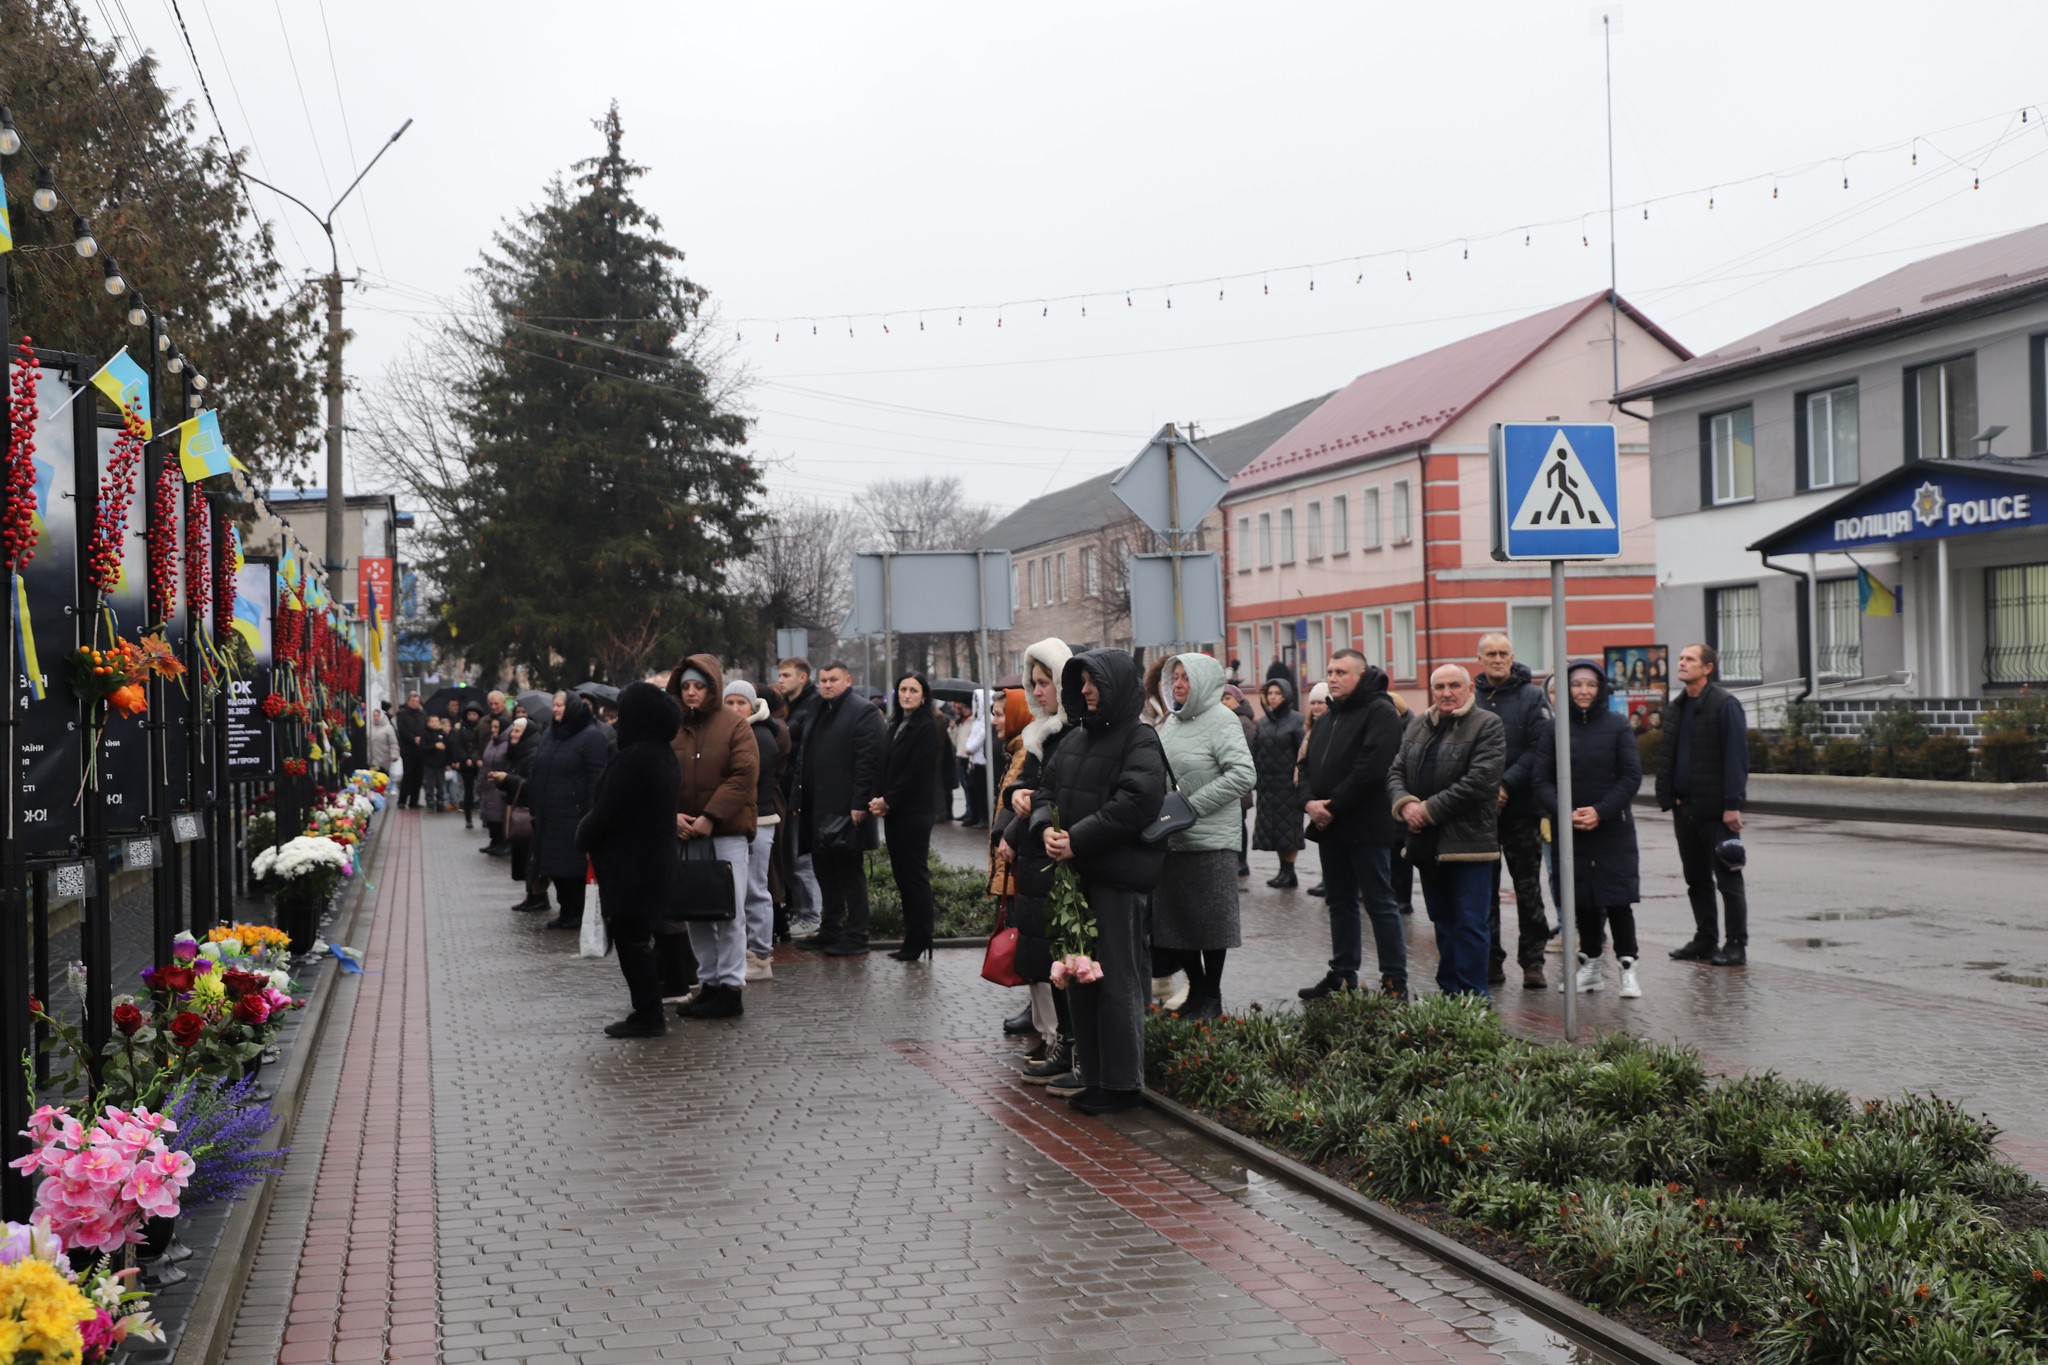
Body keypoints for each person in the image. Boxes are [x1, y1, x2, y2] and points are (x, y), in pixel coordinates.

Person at [1031, 649, 1168, 1117]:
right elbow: (1046, 792)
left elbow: (1138, 799)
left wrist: (1078, 840)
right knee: (1081, 980)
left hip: (1118, 880)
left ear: (1117, 687)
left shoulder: (1140, 738)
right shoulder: (1075, 738)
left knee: (1117, 983)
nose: (1086, 690)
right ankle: (1094, 1077)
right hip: (1078, 880)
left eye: (1094, 682)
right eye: (1082, 682)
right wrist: (1046, 830)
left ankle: (1123, 1086)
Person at [1388, 664, 1507, 998]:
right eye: (1439, 687)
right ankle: (1450, 994)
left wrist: (1426, 811)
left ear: (1470, 689)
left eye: (1454, 685)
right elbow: (1396, 772)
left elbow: (1479, 782)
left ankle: (1473, 998)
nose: (1446, 693)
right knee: (1442, 920)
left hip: (1469, 845)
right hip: (1428, 843)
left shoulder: (1487, 724)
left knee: (1470, 923)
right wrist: (1405, 805)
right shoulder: (1418, 724)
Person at [1299, 651, 1408, 999]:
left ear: (1361, 675)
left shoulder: (1380, 711)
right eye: (1330, 671)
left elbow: (1372, 767)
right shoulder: (1328, 716)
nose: (1332, 678)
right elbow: (1305, 766)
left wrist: (1333, 805)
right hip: (1330, 826)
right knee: (1339, 901)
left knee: (1379, 902)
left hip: (1366, 825)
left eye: (1341, 672)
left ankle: (1394, 981)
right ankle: (1343, 974)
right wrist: (1309, 802)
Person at [579, 682, 685, 1038]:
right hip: (650, 862)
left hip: (633, 866)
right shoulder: (661, 753)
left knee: (632, 941)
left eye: (623, 713)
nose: (617, 720)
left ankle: (648, 1015)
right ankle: (647, 1011)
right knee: (637, 938)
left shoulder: (636, 758)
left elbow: (608, 811)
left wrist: (583, 835)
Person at [1153, 654, 1257, 1018]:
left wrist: (1191, 807)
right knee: (1177, 922)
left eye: (1187, 677)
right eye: (1176, 677)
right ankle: (1196, 992)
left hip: (1211, 841)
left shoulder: (1223, 720)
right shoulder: (1171, 722)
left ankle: (1211, 996)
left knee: (1211, 924)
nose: (1179, 684)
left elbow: (1243, 775)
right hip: (1173, 837)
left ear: (1204, 681)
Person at [1536, 661, 1644, 998]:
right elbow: (1541, 780)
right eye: (1577, 684)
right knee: (1582, 900)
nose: (1584, 691)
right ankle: (1591, 966)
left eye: (1591, 685)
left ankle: (1627, 968)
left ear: (1601, 689)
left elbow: (1630, 776)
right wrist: (1565, 812)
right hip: (1571, 828)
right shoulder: (1553, 729)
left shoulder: (1618, 726)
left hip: (1612, 828)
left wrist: (1601, 811)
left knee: (1617, 900)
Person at [997, 639, 1076, 1078]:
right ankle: (1054, 1039)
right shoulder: (1039, 732)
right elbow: (1025, 785)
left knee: (1056, 955)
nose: (1038, 690)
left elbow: (1057, 792)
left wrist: (1031, 802)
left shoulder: (1070, 733)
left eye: (1046, 682)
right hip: (1033, 853)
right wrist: (1016, 799)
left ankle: (1064, 1042)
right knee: (1041, 955)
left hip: (1053, 854)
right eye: (1035, 683)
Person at [667, 655, 758, 1018]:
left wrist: (710, 817)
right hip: (686, 835)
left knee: (729, 913)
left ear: (712, 688)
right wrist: (671, 815)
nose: (691, 693)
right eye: (686, 686)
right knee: (695, 911)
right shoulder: (673, 726)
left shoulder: (735, 726)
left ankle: (731, 988)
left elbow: (742, 776)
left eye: (699, 686)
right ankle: (709, 984)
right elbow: (661, 773)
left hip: (726, 834)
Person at [1657, 643, 1750, 967]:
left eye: (1690, 659)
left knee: (1728, 879)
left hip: (1717, 812)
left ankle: (1736, 943)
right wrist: (1669, 795)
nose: (1681, 663)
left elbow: (1737, 757)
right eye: (1681, 658)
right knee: (1696, 879)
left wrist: (1732, 804)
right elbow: (1670, 755)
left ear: (1707, 668)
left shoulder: (1725, 705)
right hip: (1685, 809)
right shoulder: (1677, 707)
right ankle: (1705, 939)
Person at [1474, 634, 1555, 991]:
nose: (1497, 659)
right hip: (1480, 812)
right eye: (1490, 653)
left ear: (1512, 657)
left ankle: (1533, 962)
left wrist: (1505, 785)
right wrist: (1486, 790)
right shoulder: (1472, 697)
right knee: (1483, 890)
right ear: (1480, 658)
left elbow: (1540, 749)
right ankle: (1491, 961)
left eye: (1503, 653)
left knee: (1528, 890)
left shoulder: (1532, 697)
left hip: (1521, 809)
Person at [792, 660, 885, 956]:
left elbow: (868, 761)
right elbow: (803, 757)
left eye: (833, 679)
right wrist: (796, 799)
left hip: (846, 810)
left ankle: (857, 935)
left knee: (849, 873)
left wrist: (859, 803)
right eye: (823, 680)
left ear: (848, 680)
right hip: (816, 807)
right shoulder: (817, 709)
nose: (827, 685)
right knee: (823, 870)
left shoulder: (862, 711)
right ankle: (831, 929)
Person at [871, 672, 946, 962]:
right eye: (903, 689)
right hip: (896, 812)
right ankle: (910, 939)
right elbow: (886, 764)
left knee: (914, 877)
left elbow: (915, 773)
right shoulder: (897, 724)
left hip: (914, 812)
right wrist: (880, 797)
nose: (907, 695)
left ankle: (921, 938)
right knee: (902, 877)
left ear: (924, 695)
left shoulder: (927, 727)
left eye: (913, 690)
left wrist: (888, 800)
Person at [522, 692, 611, 929]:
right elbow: (537, 768)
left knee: (573, 868)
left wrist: (591, 813)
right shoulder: (550, 734)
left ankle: (577, 912)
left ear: (572, 707)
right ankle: (565, 911)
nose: (556, 709)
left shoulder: (591, 736)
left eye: (560, 705)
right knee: (555, 868)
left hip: (575, 815)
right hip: (549, 814)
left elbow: (597, 778)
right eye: (554, 705)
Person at [724, 680, 785, 984]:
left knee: (754, 889)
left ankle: (760, 955)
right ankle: (749, 952)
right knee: (744, 889)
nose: (735, 708)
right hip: (741, 821)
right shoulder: (736, 732)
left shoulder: (758, 735)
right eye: (730, 702)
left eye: (741, 703)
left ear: (752, 706)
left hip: (758, 821)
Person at [776, 657, 826, 937]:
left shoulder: (812, 707)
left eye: (786, 675)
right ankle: (799, 910)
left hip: (800, 797)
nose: (781, 680)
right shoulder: (791, 706)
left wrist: (798, 795)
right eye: (780, 675)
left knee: (801, 860)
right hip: (787, 794)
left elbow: (805, 756)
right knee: (789, 860)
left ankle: (811, 916)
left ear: (803, 678)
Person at [1251, 678, 1306, 888]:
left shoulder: (1297, 720)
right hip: (1267, 786)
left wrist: (1300, 776)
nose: (1273, 697)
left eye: (1277, 693)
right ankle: (1282, 870)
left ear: (1286, 696)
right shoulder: (1262, 723)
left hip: (1288, 786)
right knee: (1274, 829)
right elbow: (1255, 751)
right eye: (1270, 693)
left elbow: (1303, 752)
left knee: (1289, 830)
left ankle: (1289, 871)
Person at [1301, 682, 1330, 896]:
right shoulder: (1310, 727)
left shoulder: (1330, 726)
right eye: (1313, 703)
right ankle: (1326, 878)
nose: (1316, 707)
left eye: (1321, 702)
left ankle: (1329, 879)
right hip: (1312, 791)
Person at [475, 716, 510, 855]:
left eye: (496, 727)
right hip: (487, 784)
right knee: (489, 815)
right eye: (492, 727)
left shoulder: (507, 743)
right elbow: (485, 762)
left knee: (498, 816)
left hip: (498, 785)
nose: (493, 730)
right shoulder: (491, 742)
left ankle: (502, 843)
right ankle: (494, 841)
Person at [958, 696, 989, 829]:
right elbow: (971, 737)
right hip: (974, 761)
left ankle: (984, 817)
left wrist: (969, 748)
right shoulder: (978, 720)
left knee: (982, 792)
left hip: (982, 762)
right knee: (974, 791)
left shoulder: (986, 719)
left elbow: (980, 737)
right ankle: (976, 816)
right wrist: (969, 747)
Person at [394, 693, 426, 808]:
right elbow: (402, 729)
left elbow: (425, 727)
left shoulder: (422, 714)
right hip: (408, 749)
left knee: (419, 776)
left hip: (420, 749)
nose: (415, 703)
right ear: (408, 701)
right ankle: (402, 800)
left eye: (417, 701)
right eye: (413, 701)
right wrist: (413, 738)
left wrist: (422, 738)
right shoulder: (402, 713)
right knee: (408, 774)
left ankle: (414, 801)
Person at [368, 703, 399, 776]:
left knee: (384, 776)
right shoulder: (370, 727)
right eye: (374, 715)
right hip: (373, 758)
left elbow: (393, 743)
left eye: (377, 715)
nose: (376, 717)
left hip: (384, 758)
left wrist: (394, 755)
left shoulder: (388, 728)